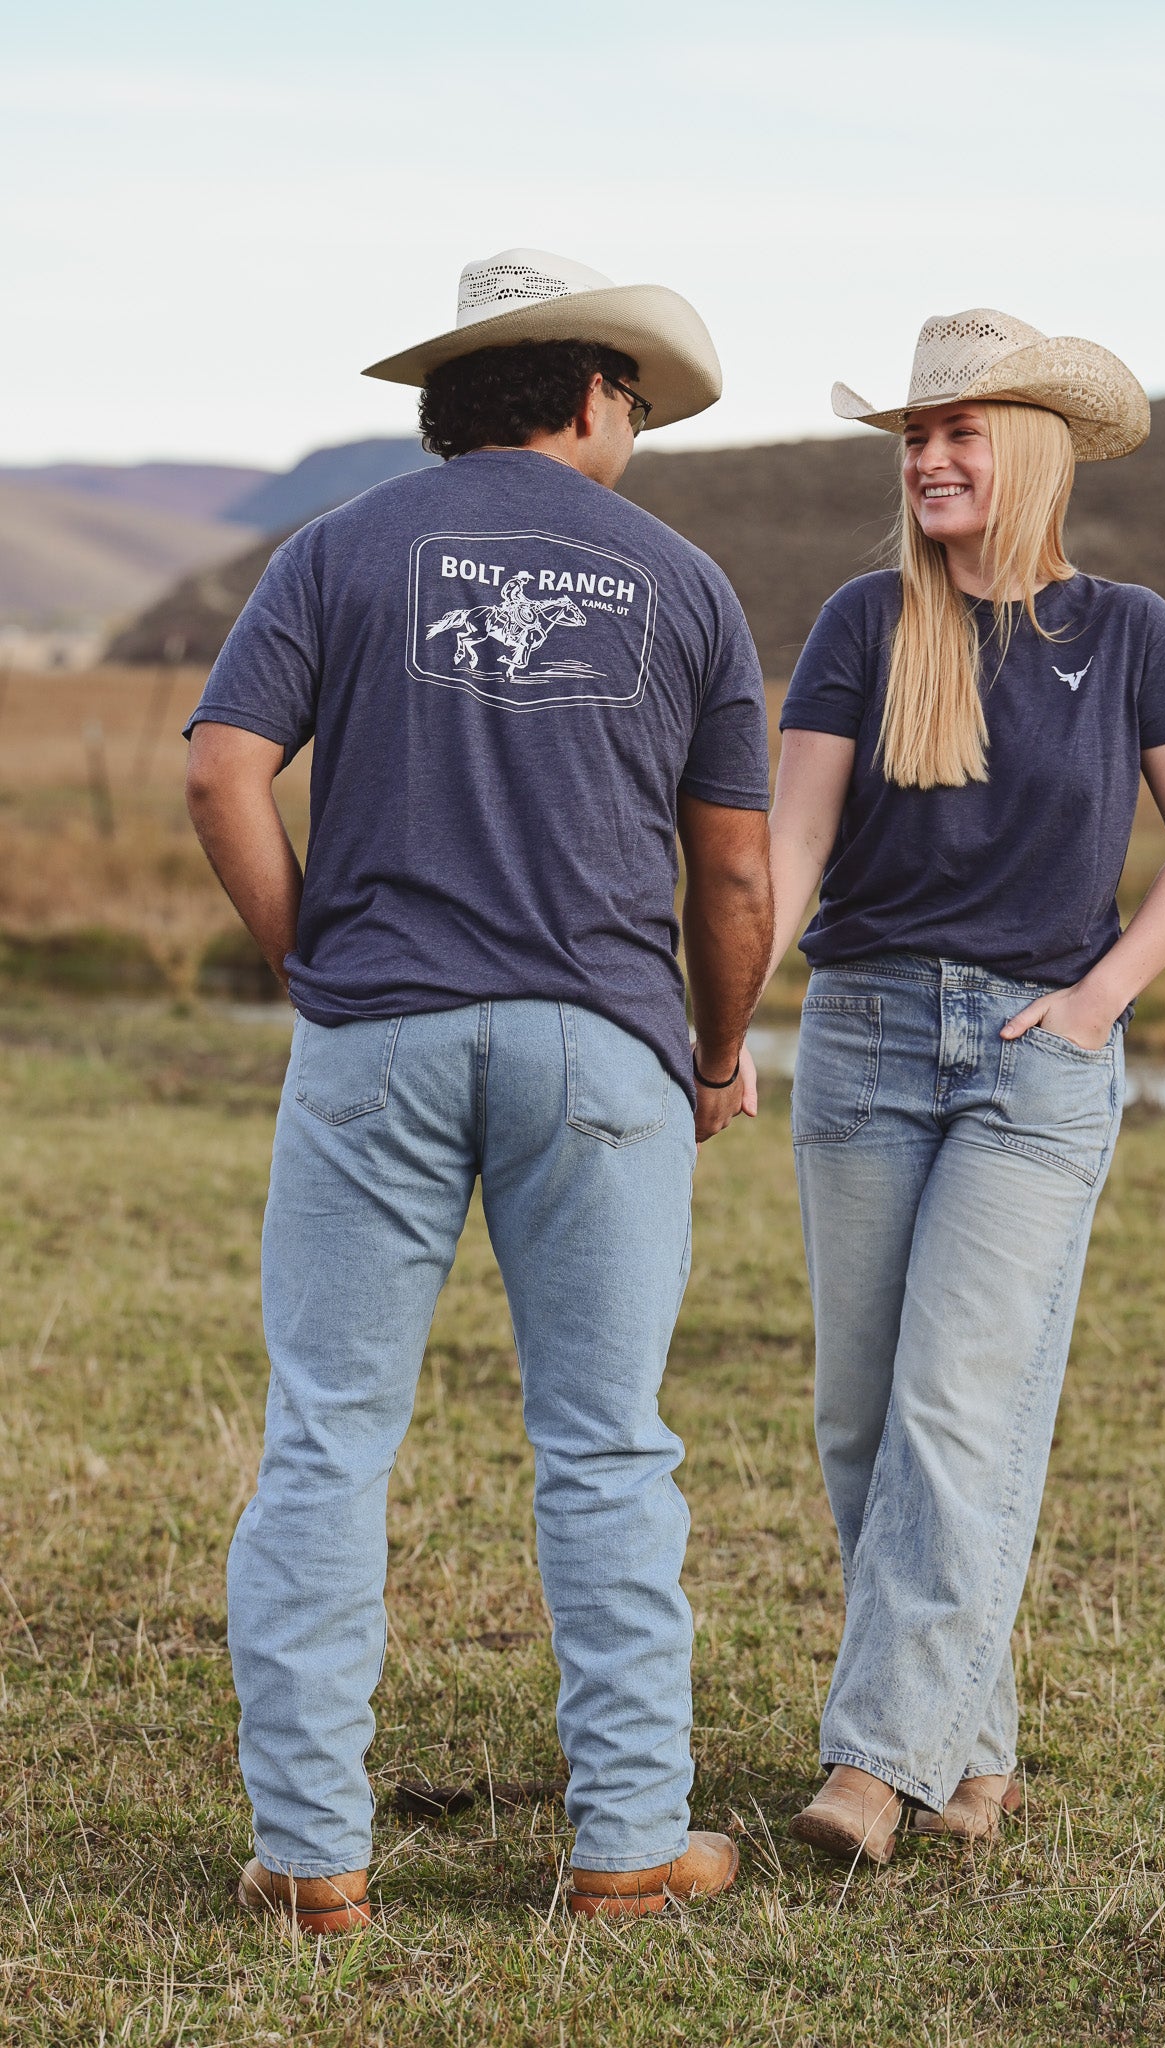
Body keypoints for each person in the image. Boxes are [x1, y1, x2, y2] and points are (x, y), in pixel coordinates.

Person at [183, 247, 773, 1929]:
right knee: (604, 1450)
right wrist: (717, 1053)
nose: (638, 431)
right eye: (637, 405)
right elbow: (730, 877)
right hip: (598, 1046)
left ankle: (310, 1860)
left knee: (325, 1445)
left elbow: (224, 766)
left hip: (377, 1033)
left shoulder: (335, 548)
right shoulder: (683, 579)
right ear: (590, 397)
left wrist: (314, 962)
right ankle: (625, 1849)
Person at [763, 309, 1165, 1864]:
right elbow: (789, 846)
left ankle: (871, 1770)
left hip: (1033, 1060)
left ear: (1027, 449)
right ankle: (972, 1752)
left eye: (959, 431)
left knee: (954, 1406)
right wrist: (718, 1008)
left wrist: (1099, 1001)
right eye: (914, 436)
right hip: (862, 1036)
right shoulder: (862, 623)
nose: (928, 458)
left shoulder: (1131, 632)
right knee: (861, 1420)